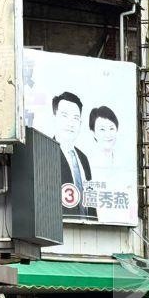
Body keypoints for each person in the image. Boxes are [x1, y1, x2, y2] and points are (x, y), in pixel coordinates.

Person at [51, 91, 96, 219]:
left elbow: (90, 199)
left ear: (80, 123)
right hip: (59, 229)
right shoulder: (46, 152)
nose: (70, 123)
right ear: (54, 117)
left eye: (75, 118)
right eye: (65, 116)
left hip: (87, 230)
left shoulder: (83, 158)